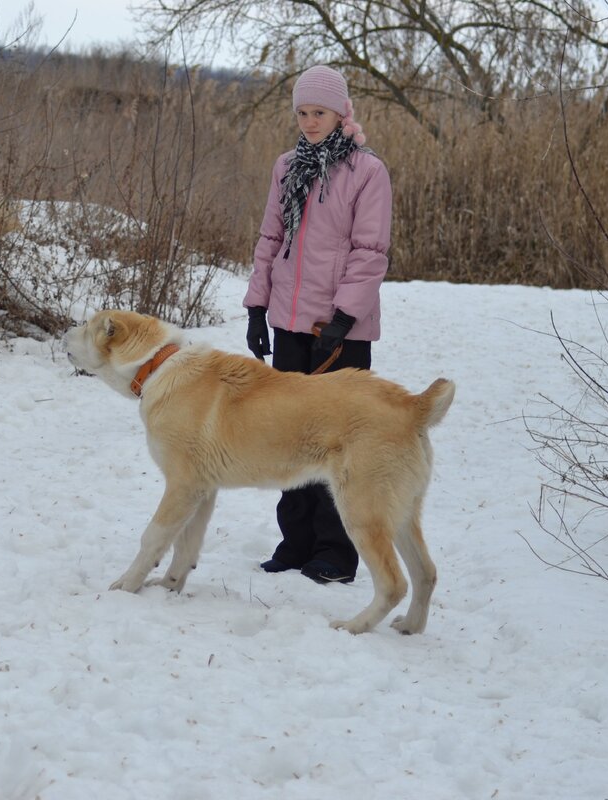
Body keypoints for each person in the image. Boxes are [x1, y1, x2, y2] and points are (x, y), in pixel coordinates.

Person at [242, 65, 393, 585]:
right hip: (287, 320)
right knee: (290, 437)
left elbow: (370, 250)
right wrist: (256, 308)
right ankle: (296, 543)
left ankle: (335, 552)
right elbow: (269, 239)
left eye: (319, 112)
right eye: (302, 112)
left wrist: (345, 316)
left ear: (341, 113)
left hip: (339, 329)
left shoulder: (367, 172)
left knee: (336, 443)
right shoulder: (287, 167)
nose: (309, 121)